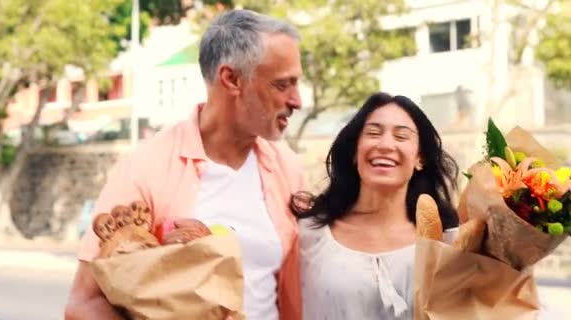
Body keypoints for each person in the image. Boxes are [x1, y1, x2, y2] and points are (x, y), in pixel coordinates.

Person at [65, 9, 305, 320]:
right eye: (282, 84)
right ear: (231, 79)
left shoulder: (288, 169)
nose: (297, 100)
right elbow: (83, 303)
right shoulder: (145, 168)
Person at [291, 92, 460, 319]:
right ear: (354, 151)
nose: (386, 145)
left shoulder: (448, 244)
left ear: (420, 158)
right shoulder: (308, 235)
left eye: (401, 136)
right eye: (373, 133)